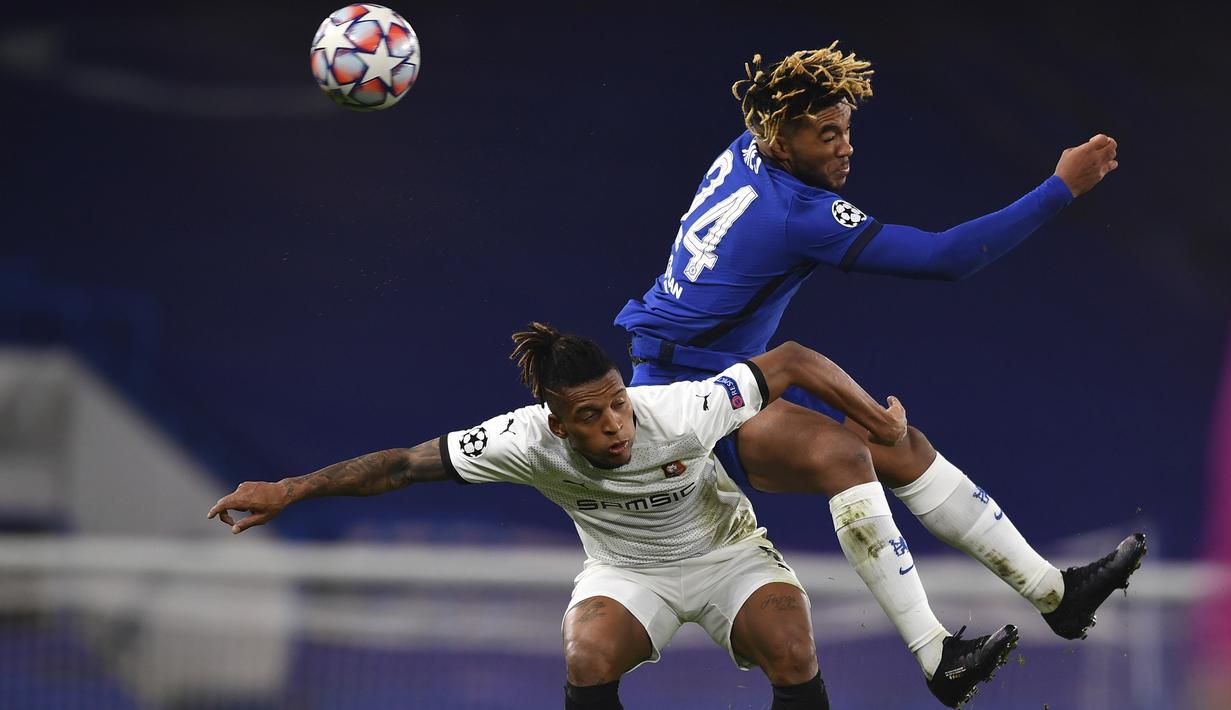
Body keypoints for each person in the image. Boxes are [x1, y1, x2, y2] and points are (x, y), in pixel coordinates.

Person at [614, 42, 1146, 703]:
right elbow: (947, 258)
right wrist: (1060, 186)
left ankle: (1055, 595)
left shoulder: (749, 148)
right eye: (827, 134)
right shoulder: (796, 214)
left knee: (903, 448)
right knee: (845, 454)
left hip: (705, 377)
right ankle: (936, 656)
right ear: (781, 140)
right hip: (678, 402)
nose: (845, 148)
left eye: (846, 130)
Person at [208, 323, 1018, 709]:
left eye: (617, 406)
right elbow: (397, 467)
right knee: (588, 657)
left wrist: (871, 420)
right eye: (592, 418)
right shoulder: (522, 441)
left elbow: (794, 361)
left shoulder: (683, 409)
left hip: (730, 554)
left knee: (792, 646)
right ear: (557, 423)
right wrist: (290, 488)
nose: (615, 427)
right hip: (627, 574)